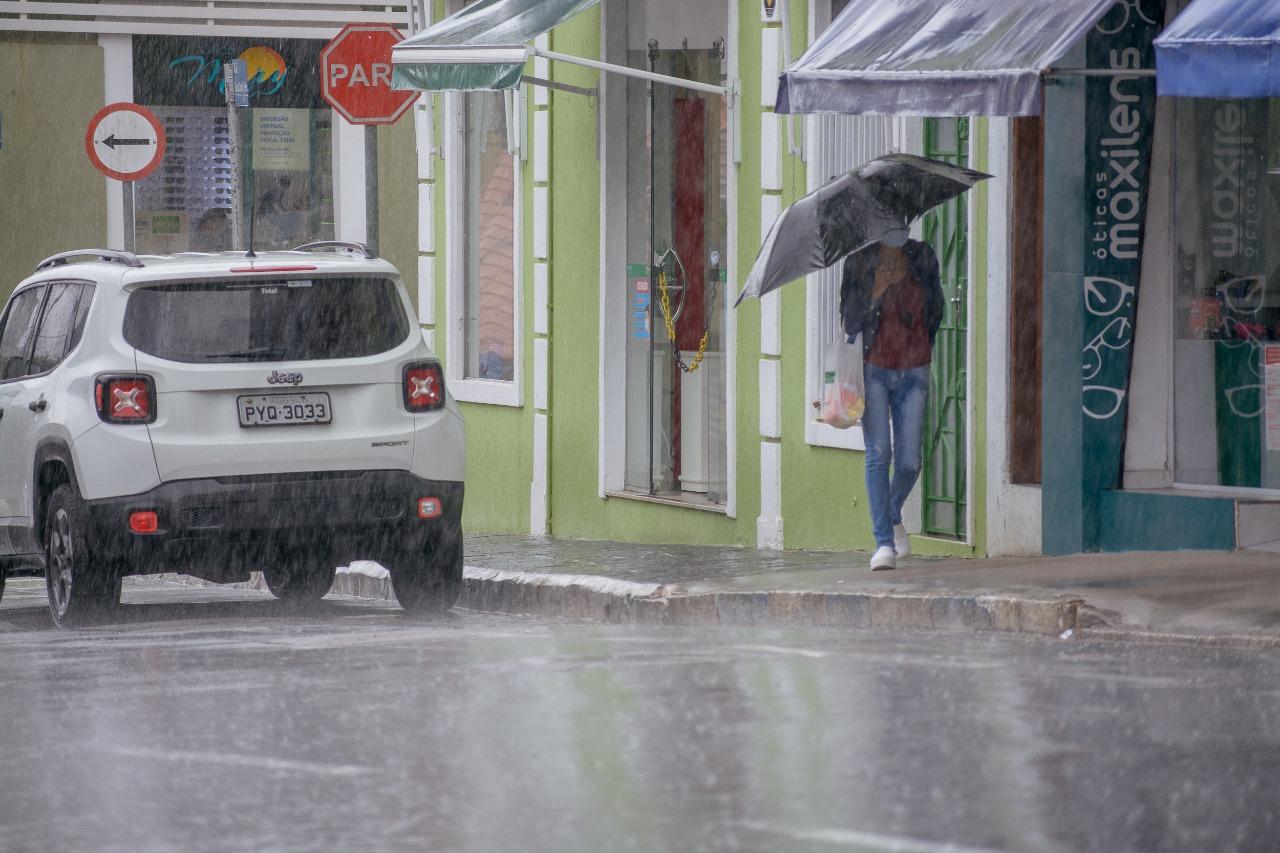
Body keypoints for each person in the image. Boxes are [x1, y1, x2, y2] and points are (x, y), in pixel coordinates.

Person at [840, 233, 943, 571]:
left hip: (914, 370)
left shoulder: (922, 256)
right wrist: (877, 291)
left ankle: (892, 510)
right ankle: (884, 542)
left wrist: (919, 347)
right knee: (879, 453)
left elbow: (936, 309)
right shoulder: (859, 261)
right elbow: (851, 321)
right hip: (874, 371)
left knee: (911, 461)